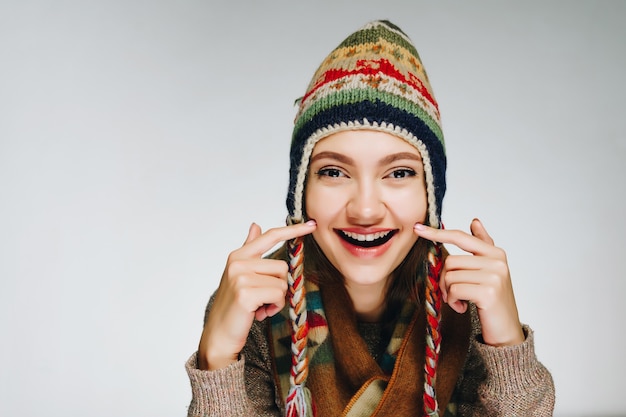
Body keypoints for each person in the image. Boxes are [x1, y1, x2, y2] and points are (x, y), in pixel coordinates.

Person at [185, 20, 555, 417]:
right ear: (301, 192)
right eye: (333, 172)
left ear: (430, 194)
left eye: (399, 173)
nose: (364, 210)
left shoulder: (468, 306)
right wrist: (218, 356)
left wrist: (507, 345)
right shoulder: (259, 306)